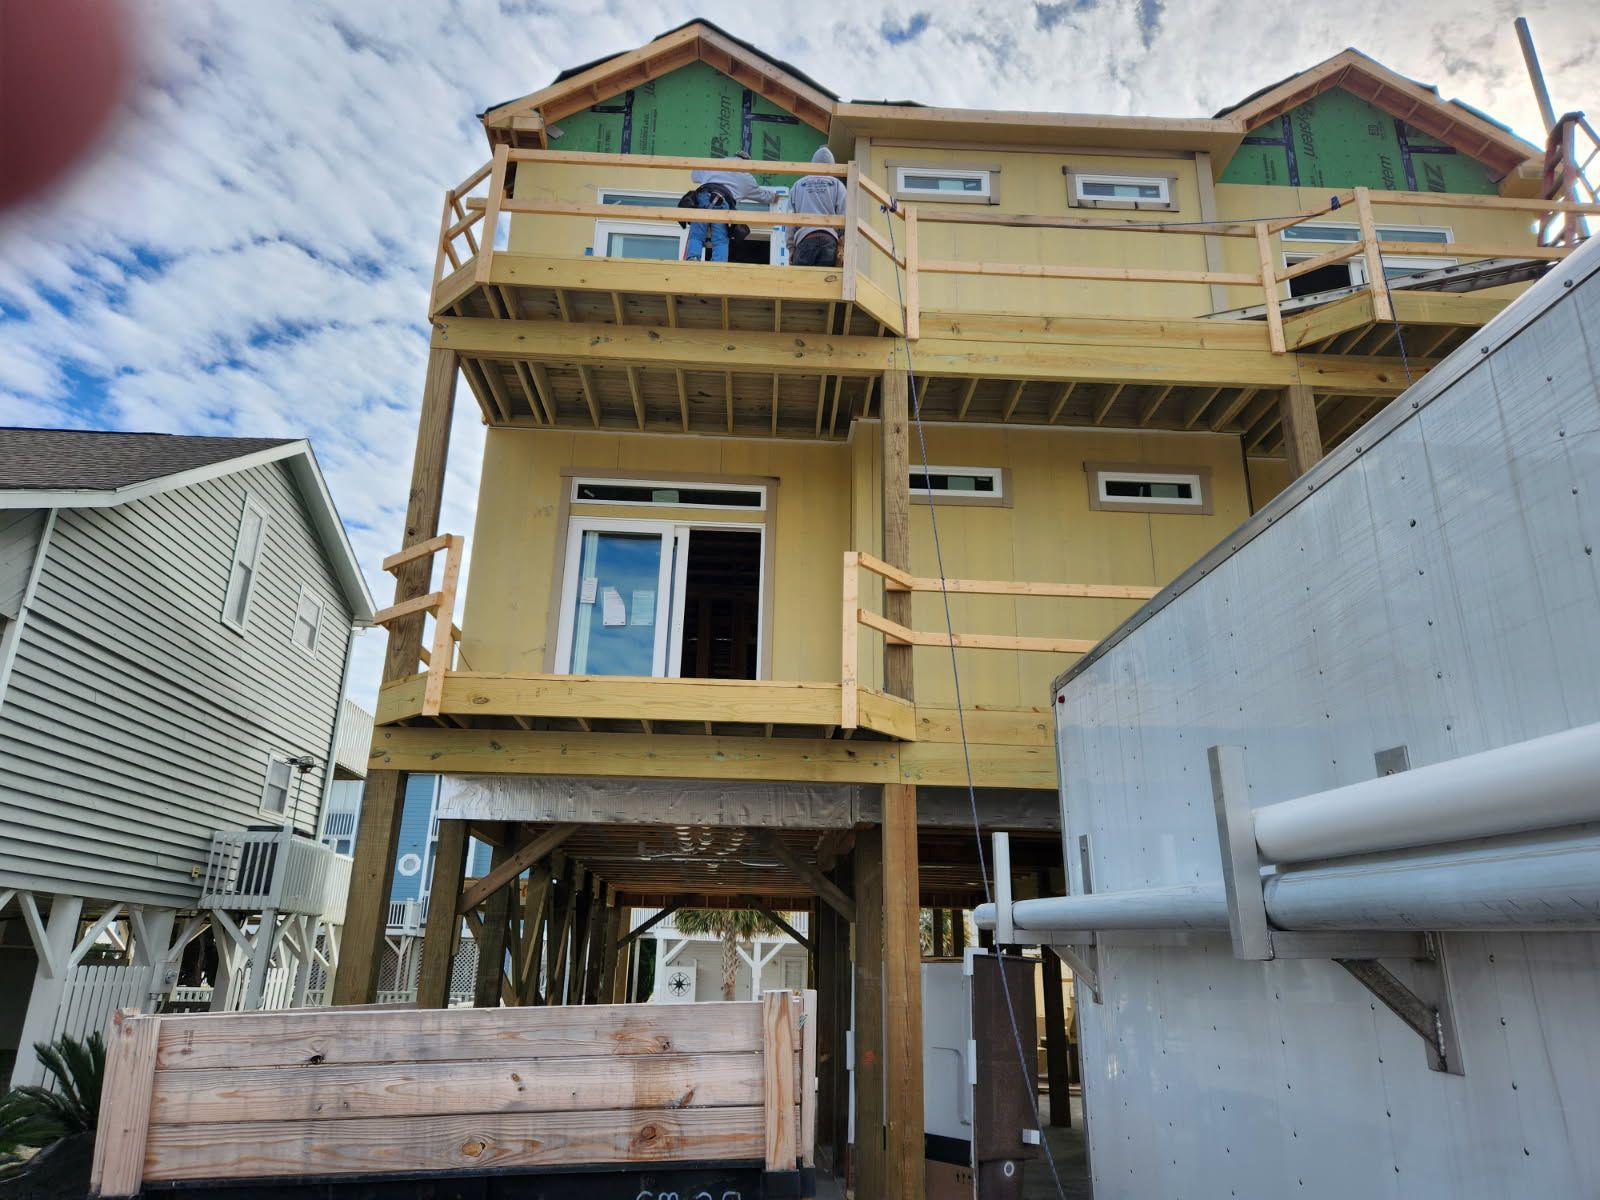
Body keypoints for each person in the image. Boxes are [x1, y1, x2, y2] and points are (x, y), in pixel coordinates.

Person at [683, 152, 776, 263]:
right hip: (723, 202)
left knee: (697, 233)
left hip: (704, 195)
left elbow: (694, 175)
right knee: (720, 239)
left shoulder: (716, 164)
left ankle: (693, 258)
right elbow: (763, 196)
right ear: (747, 163)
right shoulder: (746, 177)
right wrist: (776, 197)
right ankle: (718, 264)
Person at [787, 146, 847, 267]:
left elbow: (789, 219)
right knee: (827, 283)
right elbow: (844, 215)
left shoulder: (798, 185)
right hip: (829, 241)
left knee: (802, 284)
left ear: (813, 164)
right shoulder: (837, 185)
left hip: (805, 240)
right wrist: (842, 243)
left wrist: (791, 248)